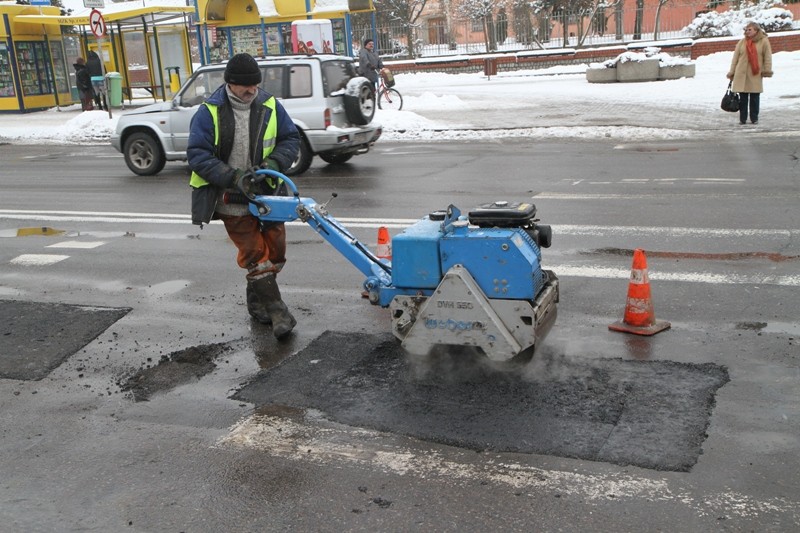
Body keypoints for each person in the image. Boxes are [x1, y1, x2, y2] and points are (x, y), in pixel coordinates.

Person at [187, 53, 301, 339]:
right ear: (229, 83)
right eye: (244, 86)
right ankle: (278, 312)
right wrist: (233, 177)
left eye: (255, 85)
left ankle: (257, 303)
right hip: (231, 198)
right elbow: (197, 155)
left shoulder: (271, 106)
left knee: (275, 253)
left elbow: (291, 139)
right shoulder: (209, 112)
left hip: (269, 194)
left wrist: (274, 164)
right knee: (254, 253)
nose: (251, 90)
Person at [727, 21, 773, 125]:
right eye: (746, 30)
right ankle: (742, 119)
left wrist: (767, 70)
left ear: (756, 30)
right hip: (741, 73)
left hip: (755, 73)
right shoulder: (742, 42)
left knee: (754, 98)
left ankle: (754, 118)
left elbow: (768, 57)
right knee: (743, 98)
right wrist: (732, 72)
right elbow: (735, 58)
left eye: (750, 29)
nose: (747, 32)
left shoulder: (764, 41)